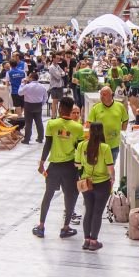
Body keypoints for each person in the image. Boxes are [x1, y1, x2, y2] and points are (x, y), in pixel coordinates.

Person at [35, 98, 84, 239]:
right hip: (70, 167)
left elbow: (48, 144)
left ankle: (41, 226)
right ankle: (65, 227)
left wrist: (42, 163)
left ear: (60, 108)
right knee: (71, 196)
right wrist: (82, 170)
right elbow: (79, 150)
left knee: (48, 195)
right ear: (71, 110)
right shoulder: (78, 128)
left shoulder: (52, 124)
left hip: (54, 167)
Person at [76, 121, 113, 252]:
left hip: (87, 183)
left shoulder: (81, 145)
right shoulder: (105, 148)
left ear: (90, 132)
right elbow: (110, 168)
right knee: (98, 212)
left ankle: (86, 240)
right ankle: (94, 240)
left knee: (88, 211)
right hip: (102, 184)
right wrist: (112, 180)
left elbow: (78, 164)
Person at [19, 68, 48, 145]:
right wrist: (42, 103)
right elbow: (45, 97)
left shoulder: (27, 86)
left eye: (29, 77)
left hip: (28, 105)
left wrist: (22, 84)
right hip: (38, 105)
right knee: (39, 122)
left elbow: (20, 93)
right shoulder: (42, 87)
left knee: (28, 123)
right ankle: (40, 138)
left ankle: (27, 139)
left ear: (31, 78)